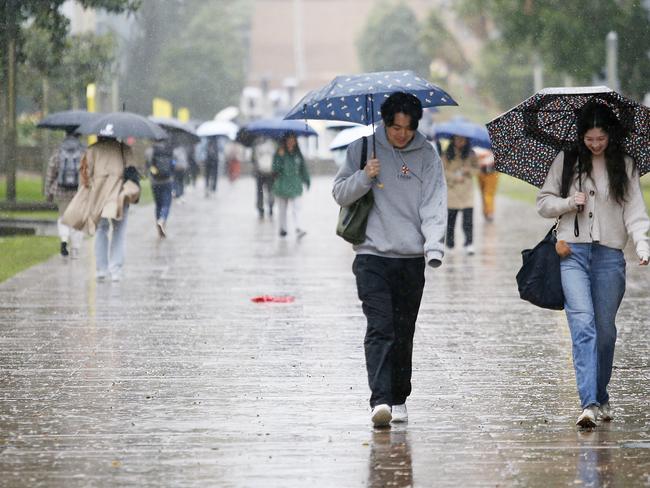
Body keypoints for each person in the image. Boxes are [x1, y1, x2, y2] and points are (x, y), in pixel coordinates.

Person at [332, 92, 447, 427]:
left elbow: (435, 202)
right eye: (395, 127)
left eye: (407, 128)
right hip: (371, 255)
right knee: (380, 327)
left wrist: (434, 247)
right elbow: (339, 193)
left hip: (411, 258)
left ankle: (399, 397)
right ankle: (380, 400)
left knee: (403, 330)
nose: (400, 134)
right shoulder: (363, 148)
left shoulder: (426, 154)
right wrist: (364, 176)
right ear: (384, 122)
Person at [536, 102, 649, 428]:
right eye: (590, 139)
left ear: (610, 136)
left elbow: (635, 212)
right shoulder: (567, 161)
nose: (595, 145)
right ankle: (588, 403)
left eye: (601, 139)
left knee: (605, 333)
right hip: (572, 253)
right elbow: (543, 204)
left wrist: (642, 244)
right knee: (583, 325)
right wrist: (569, 202)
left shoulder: (625, 165)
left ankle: (600, 394)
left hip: (609, 257)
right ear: (581, 136)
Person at [79, 136, 136, 282]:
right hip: (119, 196)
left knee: (100, 231)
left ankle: (101, 269)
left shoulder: (92, 150)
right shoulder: (124, 149)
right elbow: (132, 171)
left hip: (98, 197)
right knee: (119, 232)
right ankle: (115, 269)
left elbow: (85, 175)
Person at [45, 130, 85, 259]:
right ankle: (75, 249)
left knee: (63, 217)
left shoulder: (58, 151)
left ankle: (64, 239)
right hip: (78, 191)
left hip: (61, 190)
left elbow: (51, 172)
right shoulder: (83, 152)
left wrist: (48, 192)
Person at [443, 135, 479, 255]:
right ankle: (449, 243)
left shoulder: (471, 154)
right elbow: (442, 170)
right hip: (452, 191)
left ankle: (469, 243)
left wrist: (469, 170)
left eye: (463, 140)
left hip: (467, 192)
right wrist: (454, 177)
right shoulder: (446, 154)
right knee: (450, 221)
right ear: (453, 139)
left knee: (468, 221)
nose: (460, 142)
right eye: (458, 139)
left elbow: (477, 170)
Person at [272, 132, 310, 237]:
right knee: (282, 209)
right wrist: (279, 157)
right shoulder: (279, 153)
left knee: (297, 208)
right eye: (289, 140)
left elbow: (303, 168)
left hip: (295, 184)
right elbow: (274, 169)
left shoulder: (298, 154)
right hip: (282, 185)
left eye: (293, 140)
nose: (291, 142)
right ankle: (283, 228)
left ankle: (298, 228)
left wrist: (307, 180)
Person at [146, 139, 175, 238]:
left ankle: (158, 224)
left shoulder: (150, 151)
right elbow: (173, 165)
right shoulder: (170, 150)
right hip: (167, 181)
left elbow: (148, 166)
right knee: (166, 203)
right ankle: (162, 220)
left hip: (155, 182)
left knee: (158, 204)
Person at [252, 137, 276, 218]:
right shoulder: (272, 144)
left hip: (260, 172)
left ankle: (261, 209)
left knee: (260, 192)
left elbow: (253, 159)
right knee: (270, 190)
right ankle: (270, 207)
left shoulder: (256, 144)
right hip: (270, 172)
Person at [475, 147, 498, 221]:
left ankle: (489, 212)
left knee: (488, 193)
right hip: (481, 173)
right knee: (483, 193)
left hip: (492, 173)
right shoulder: (478, 145)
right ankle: (486, 211)